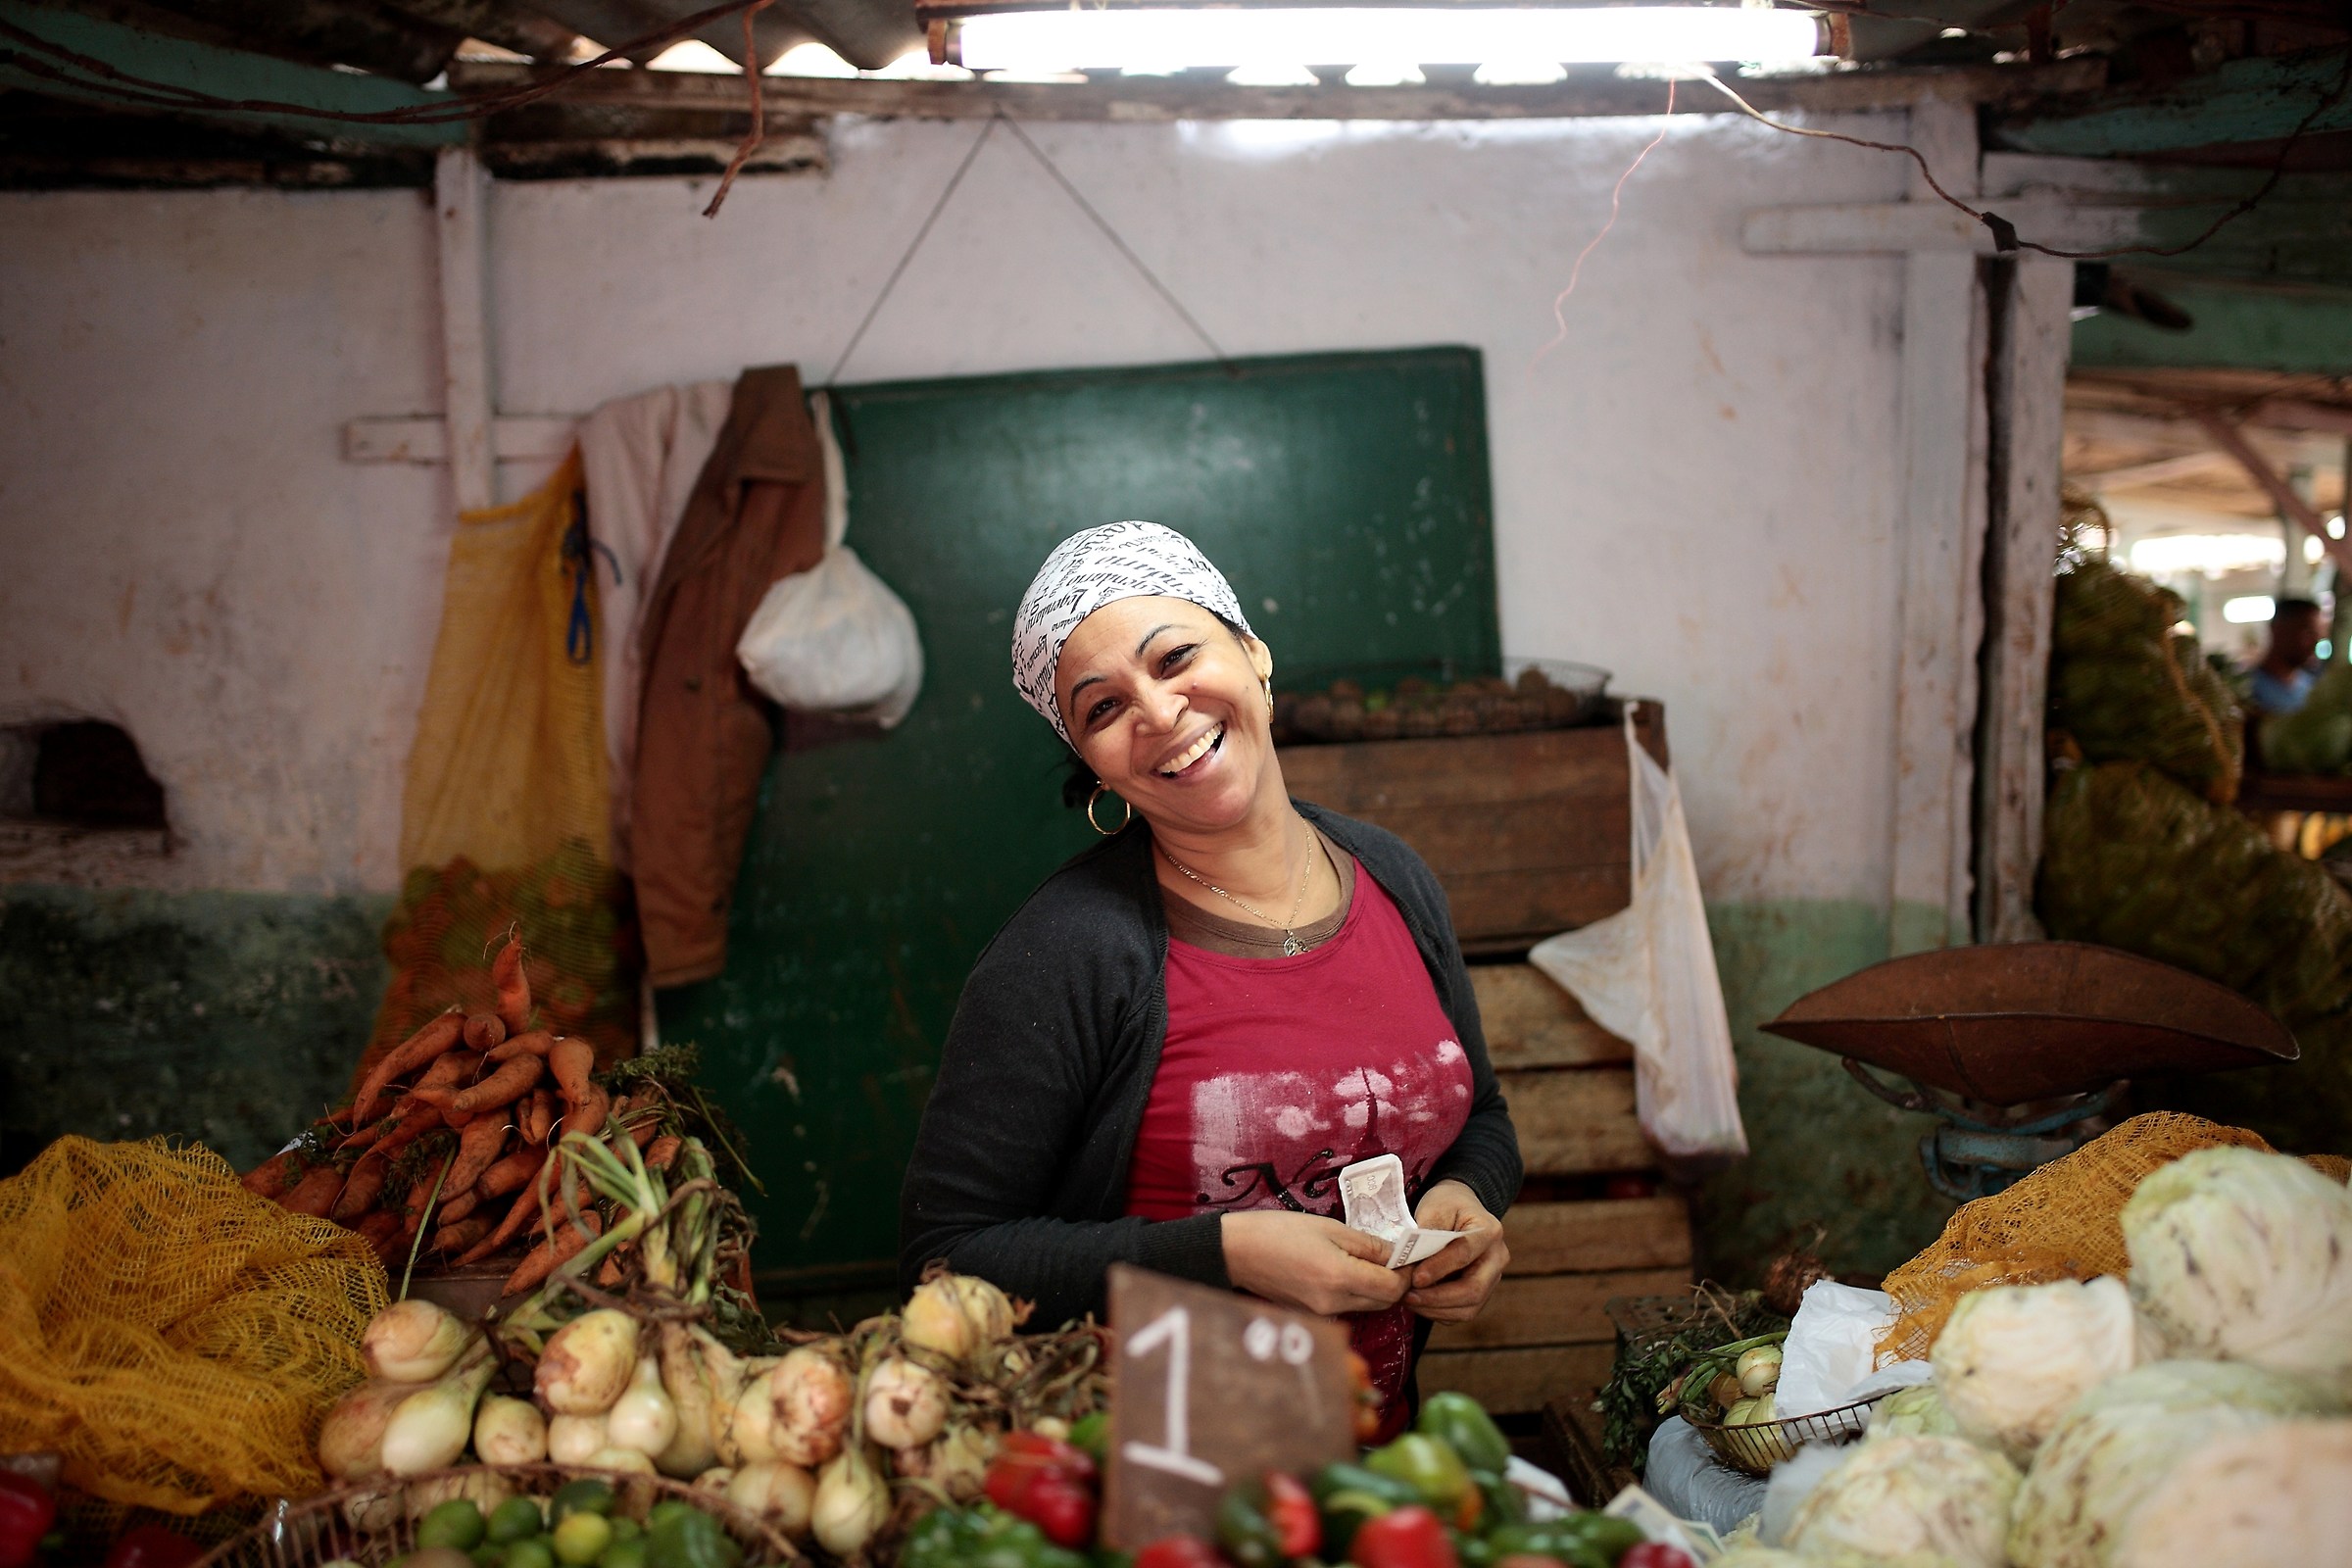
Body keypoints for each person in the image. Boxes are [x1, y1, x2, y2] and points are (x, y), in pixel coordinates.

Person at [900, 521, 1520, 1435]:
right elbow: (945, 1260)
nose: (1156, 712)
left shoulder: (1392, 876)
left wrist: (1468, 1200)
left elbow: (1487, 1121)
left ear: (1255, 654)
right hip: (1142, 1494)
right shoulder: (1067, 955)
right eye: (1102, 709)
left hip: (1377, 1475)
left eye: (1176, 655)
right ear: (1091, 763)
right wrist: (1223, 1252)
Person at [2249, 597, 2327, 715]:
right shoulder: (2247, 690)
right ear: (2277, 629)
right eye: (2308, 633)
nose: (2315, 644)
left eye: (2319, 636)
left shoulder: (2313, 690)